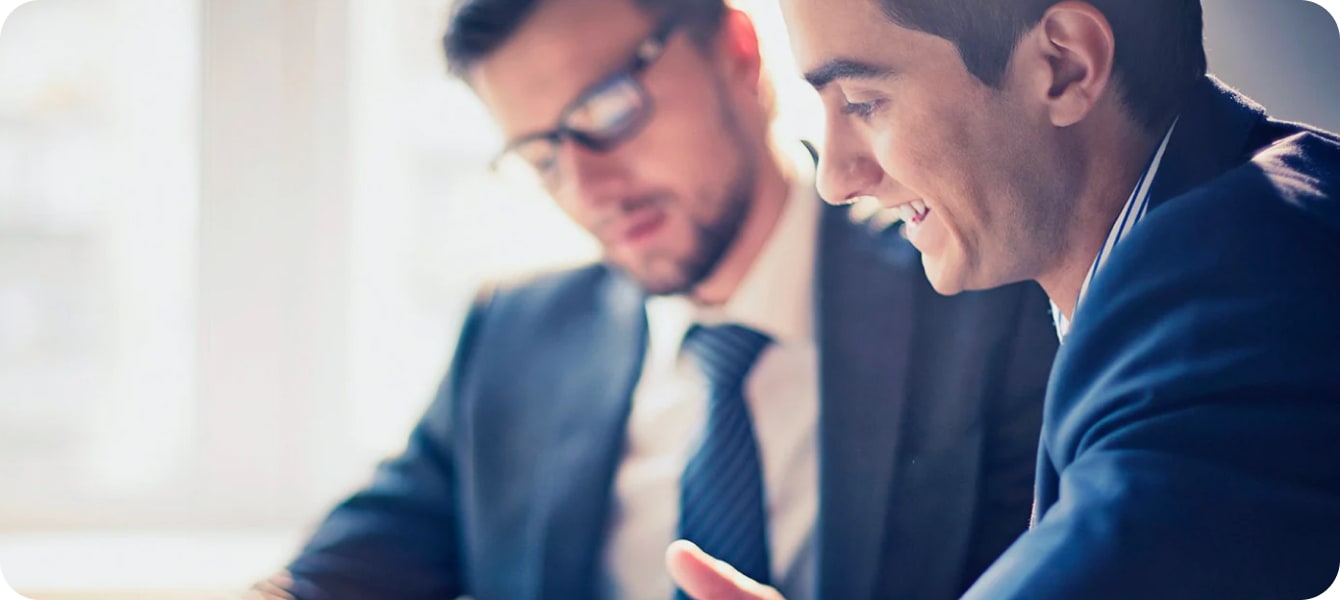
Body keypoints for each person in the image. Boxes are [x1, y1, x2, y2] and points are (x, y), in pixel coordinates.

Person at [252, 0, 1058, 599]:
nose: (588, 186)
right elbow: (343, 570)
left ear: (740, 55)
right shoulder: (513, 339)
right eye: (542, 157)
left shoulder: (980, 292)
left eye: (606, 111)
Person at [667, 0, 1340, 598]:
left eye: (864, 102)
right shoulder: (1198, 254)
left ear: (1065, 66)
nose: (837, 179)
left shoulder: (1242, 288)